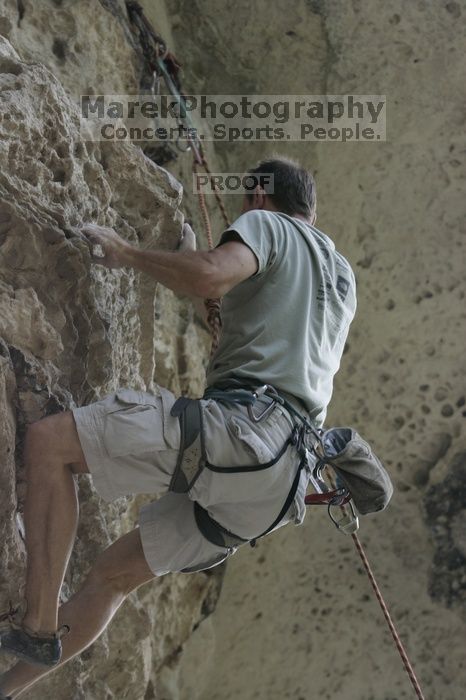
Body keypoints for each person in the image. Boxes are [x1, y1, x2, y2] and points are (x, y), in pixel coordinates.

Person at [0, 157, 356, 698]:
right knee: (114, 579)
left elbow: (213, 273)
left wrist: (125, 252)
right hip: (281, 486)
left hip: (244, 435)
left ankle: (38, 625)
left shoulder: (268, 225)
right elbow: (267, 319)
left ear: (259, 198)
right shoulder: (341, 275)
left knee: (50, 444)